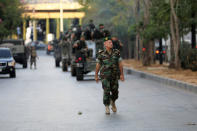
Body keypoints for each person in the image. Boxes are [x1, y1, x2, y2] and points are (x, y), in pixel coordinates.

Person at [95, 37, 125, 115]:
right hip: (105, 76)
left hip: (114, 75)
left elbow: (120, 64)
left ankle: (113, 102)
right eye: (109, 42)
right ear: (105, 44)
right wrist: (96, 75)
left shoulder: (116, 52)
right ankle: (107, 106)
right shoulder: (101, 54)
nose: (111, 43)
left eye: (111, 42)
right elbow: (98, 65)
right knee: (106, 91)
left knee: (115, 92)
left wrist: (122, 74)